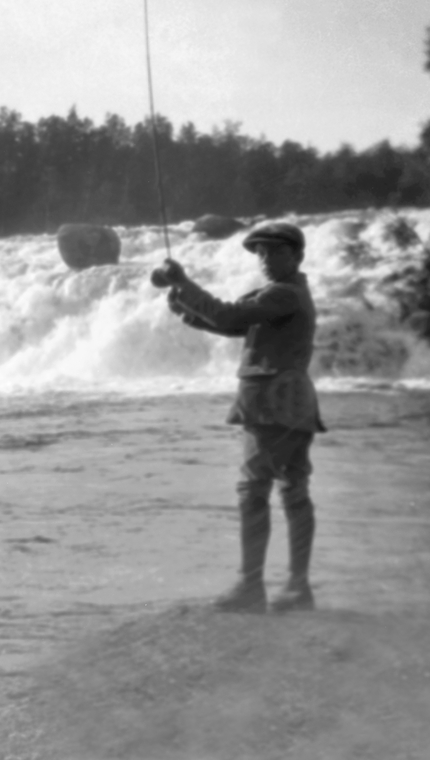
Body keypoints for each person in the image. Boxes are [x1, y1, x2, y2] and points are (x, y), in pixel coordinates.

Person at [153, 222, 324, 614]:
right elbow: (241, 328)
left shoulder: (283, 293)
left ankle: (252, 588)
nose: (265, 259)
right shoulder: (288, 294)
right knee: (292, 491)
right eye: (260, 253)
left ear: (296, 256)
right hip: (291, 401)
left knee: (254, 491)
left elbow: (232, 317)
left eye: (274, 252)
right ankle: (297, 589)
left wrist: (185, 283)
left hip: (272, 402)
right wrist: (188, 312)